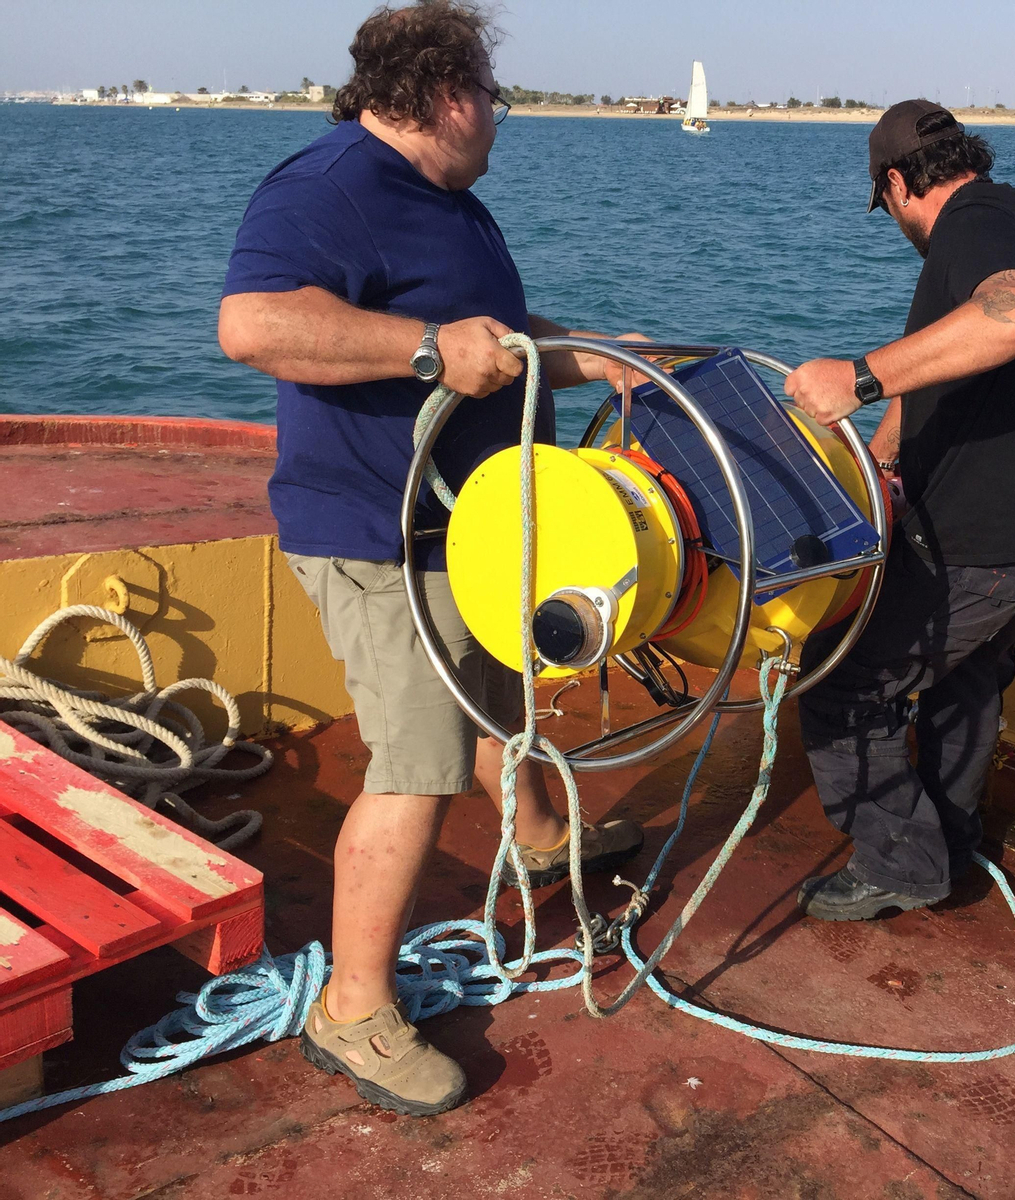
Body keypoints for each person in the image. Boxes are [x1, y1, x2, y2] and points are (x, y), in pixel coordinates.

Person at [218, 1, 644, 1116]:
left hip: (474, 529)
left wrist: (596, 355)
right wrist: (418, 350)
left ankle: (544, 844)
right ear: (450, 94)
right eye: (494, 103)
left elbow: (487, 336)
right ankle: (352, 1010)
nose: (498, 124)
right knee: (417, 764)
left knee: (503, 707)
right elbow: (254, 324)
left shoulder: (446, 202)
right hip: (381, 534)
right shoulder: (329, 186)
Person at [784, 99, 1015, 921]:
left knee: (845, 687)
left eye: (885, 204)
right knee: (964, 683)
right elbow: (948, 367)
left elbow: (1013, 318)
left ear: (894, 184)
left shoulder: (972, 221)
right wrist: (881, 458)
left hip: (990, 542)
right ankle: (949, 845)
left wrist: (855, 376)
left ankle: (899, 865)